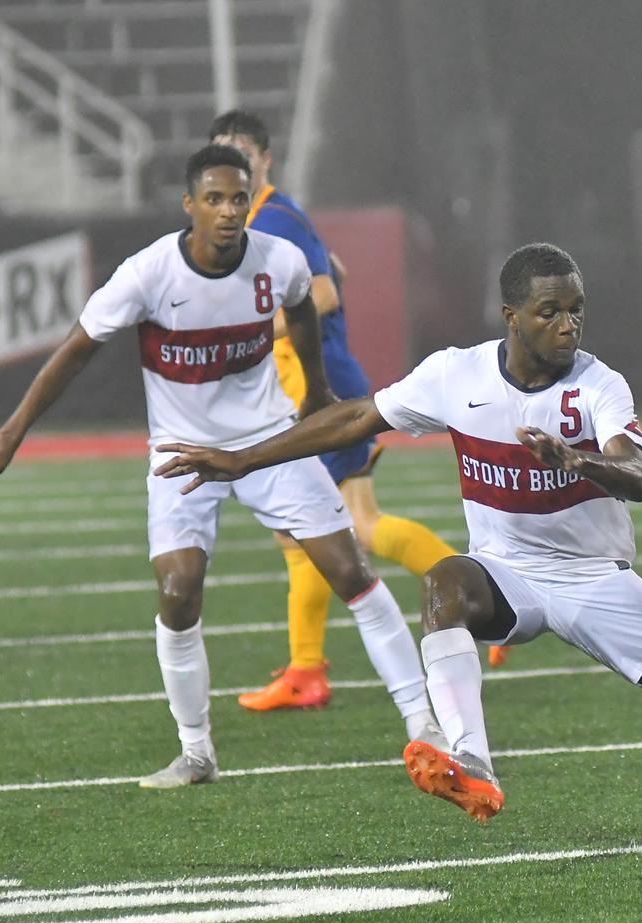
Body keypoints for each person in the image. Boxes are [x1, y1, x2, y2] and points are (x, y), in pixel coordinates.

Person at [153, 242, 642, 858]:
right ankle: (473, 762)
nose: (568, 324)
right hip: (507, 573)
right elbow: (358, 416)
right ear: (511, 317)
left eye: (576, 310)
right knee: (444, 583)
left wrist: (576, 459)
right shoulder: (456, 375)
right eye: (550, 311)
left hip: (594, 579)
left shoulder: (598, 385)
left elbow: (639, 474)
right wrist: (241, 459)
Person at [0, 144, 440, 787]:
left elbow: (302, 305)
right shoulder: (147, 274)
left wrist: (316, 389)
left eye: (238, 198)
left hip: (270, 440)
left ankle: (424, 726)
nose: (229, 211)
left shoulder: (279, 259)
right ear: (190, 206)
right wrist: (9, 435)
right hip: (182, 452)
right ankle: (196, 751)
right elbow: (75, 350)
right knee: (179, 591)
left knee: (351, 571)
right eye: (214, 199)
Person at [206, 110, 505, 717]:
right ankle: (308, 668)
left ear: (264, 160)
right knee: (309, 529)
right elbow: (332, 269)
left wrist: (250, 332)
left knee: (345, 527)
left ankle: (483, 607)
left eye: (242, 154)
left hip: (319, 392)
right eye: (222, 155)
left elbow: (322, 293)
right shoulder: (265, 220)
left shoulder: (275, 217)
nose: (233, 167)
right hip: (302, 391)